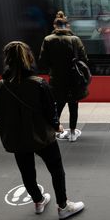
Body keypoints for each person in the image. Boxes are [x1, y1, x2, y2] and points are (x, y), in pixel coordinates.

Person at [0, 41, 85, 220]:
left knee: (27, 172)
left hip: (17, 138)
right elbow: (51, 112)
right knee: (56, 169)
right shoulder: (39, 84)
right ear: (29, 59)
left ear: (7, 61)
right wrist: (57, 126)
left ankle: (38, 201)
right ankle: (63, 206)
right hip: (42, 137)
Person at [39, 11, 88, 142]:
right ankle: (72, 133)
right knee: (73, 106)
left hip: (56, 79)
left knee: (57, 105)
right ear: (68, 26)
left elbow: (43, 61)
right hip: (73, 79)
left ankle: (55, 129)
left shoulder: (47, 40)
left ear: (55, 26)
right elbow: (84, 59)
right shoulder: (75, 40)